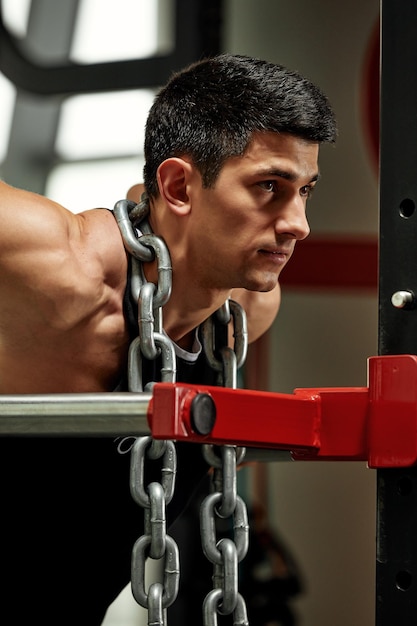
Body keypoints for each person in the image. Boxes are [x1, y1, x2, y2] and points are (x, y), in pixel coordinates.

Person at [0, 54, 336, 625]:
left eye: (305, 191)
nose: (298, 223)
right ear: (179, 185)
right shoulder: (55, 265)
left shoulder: (247, 311)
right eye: (270, 188)